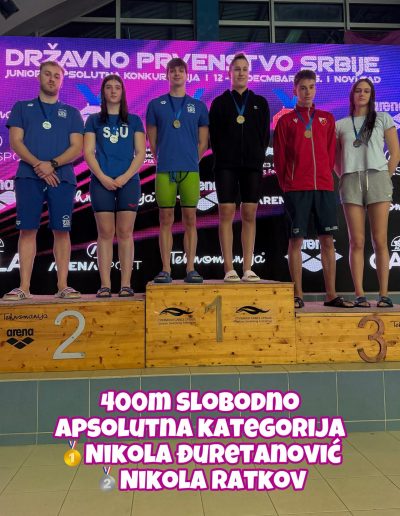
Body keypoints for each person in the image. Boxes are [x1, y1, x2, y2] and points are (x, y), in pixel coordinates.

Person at [3, 61, 83, 301]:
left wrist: (52, 164)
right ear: (38, 77)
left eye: (56, 76)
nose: (51, 79)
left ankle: (63, 286)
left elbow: (76, 147)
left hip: (62, 177)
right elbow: (16, 142)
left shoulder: (71, 112)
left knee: (62, 231)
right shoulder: (21, 107)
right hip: (29, 176)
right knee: (27, 230)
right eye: (47, 74)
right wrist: (39, 165)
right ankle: (24, 287)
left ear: (61, 81)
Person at [273, 69, 353, 309]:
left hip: (324, 188)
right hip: (296, 188)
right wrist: (288, 184)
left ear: (316, 89)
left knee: (327, 240)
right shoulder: (285, 121)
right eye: (303, 88)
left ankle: (331, 295)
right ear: (294, 90)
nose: (307, 92)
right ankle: (298, 294)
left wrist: (325, 178)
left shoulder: (327, 119)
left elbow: (330, 154)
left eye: (311, 87)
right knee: (295, 241)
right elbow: (279, 158)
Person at [335, 78, 400, 308]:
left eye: (366, 91)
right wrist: (344, 176)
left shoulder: (382, 118)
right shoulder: (340, 124)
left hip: (378, 178)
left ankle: (384, 294)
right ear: (352, 95)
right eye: (358, 91)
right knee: (357, 241)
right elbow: (335, 159)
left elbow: (395, 153)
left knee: (380, 240)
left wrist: (385, 176)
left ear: (371, 95)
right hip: (351, 180)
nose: (362, 94)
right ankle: (360, 295)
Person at [146, 57, 209, 283]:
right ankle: (166, 269)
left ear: (187, 75)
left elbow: (203, 142)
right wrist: (163, 159)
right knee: (165, 218)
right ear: (167, 75)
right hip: (165, 170)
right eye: (172, 71)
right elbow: (152, 141)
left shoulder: (198, 106)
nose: (177, 74)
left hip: (190, 171)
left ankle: (190, 268)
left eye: (181, 71)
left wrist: (190, 160)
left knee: (190, 218)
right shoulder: (156, 105)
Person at [209, 53, 270, 282]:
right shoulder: (219, 102)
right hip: (226, 165)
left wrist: (256, 156)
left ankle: (247, 268)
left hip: (252, 166)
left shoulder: (260, 102)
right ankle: (229, 268)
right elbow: (214, 136)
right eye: (237, 69)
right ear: (229, 73)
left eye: (244, 69)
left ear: (249, 73)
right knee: (226, 212)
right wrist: (225, 155)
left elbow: (264, 136)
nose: (241, 73)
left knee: (249, 213)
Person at [84, 75, 146, 297]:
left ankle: (126, 284)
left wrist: (125, 177)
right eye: (108, 87)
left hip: (128, 182)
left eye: (117, 87)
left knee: (125, 232)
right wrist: (102, 176)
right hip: (101, 181)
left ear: (122, 92)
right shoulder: (93, 120)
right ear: (103, 92)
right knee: (105, 232)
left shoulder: (134, 120)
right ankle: (105, 285)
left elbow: (141, 153)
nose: (113, 91)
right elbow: (88, 152)